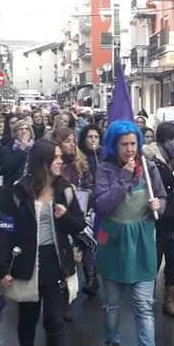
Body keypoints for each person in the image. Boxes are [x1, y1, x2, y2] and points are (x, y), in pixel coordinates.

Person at [0, 140, 88, 346]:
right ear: (41, 162)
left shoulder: (66, 190)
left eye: (60, 157)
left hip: (56, 262)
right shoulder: (17, 192)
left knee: (55, 319)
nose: (60, 161)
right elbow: (4, 229)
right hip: (27, 262)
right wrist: (1, 267)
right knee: (28, 316)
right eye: (55, 157)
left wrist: (64, 216)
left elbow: (79, 225)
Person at [93, 120, 167, 346]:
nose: (130, 149)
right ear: (114, 145)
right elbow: (103, 205)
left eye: (133, 143)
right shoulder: (104, 170)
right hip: (113, 242)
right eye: (124, 144)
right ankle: (112, 344)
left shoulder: (149, 167)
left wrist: (159, 205)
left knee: (144, 307)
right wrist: (123, 178)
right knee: (112, 305)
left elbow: (162, 198)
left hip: (143, 242)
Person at [143, 122, 174, 318]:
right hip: (157, 216)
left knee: (173, 257)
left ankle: (170, 299)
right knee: (154, 257)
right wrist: (173, 176)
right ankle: (146, 297)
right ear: (165, 139)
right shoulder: (150, 158)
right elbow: (153, 185)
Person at [51, 126, 99, 298]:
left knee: (86, 240)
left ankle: (91, 278)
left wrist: (81, 190)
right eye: (67, 141)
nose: (72, 144)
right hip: (60, 210)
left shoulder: (81, 161)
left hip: (81, 208)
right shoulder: (54, 163)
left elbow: (90, 184)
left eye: (73, 141)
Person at [76, 124, 104, 296]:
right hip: (85, 206)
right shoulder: (78, 157)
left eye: (96, 137)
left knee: (102, 240)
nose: (93, 140)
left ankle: (102, 270)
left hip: (102, 208)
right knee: (87, 240)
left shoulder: (105, 157)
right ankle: (91, 278)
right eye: (89, 137)